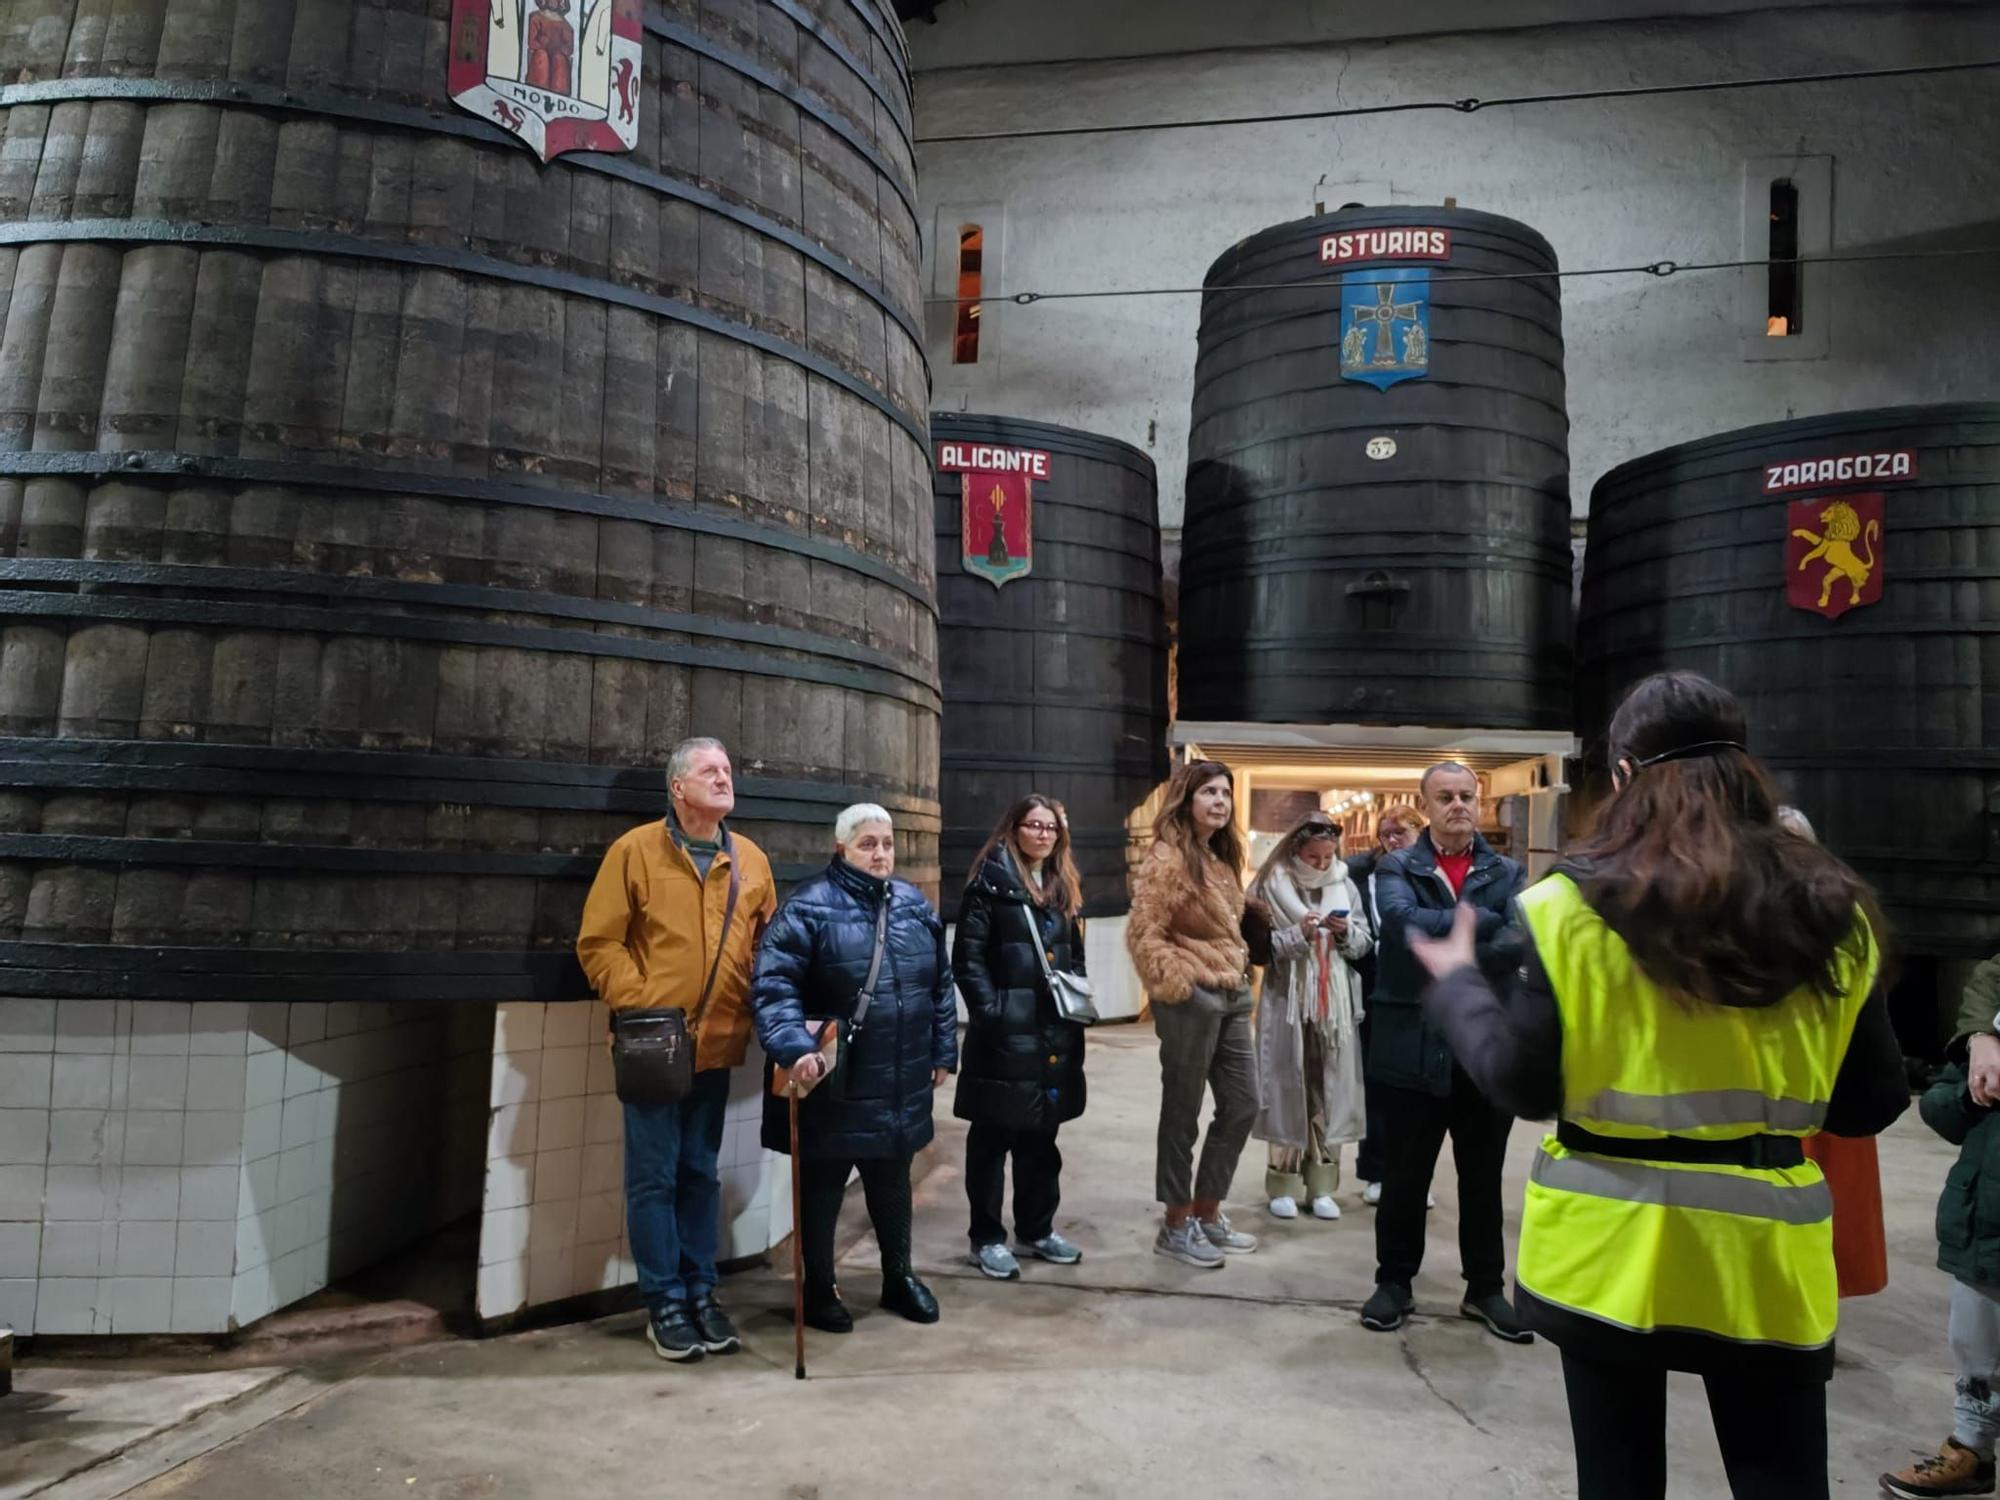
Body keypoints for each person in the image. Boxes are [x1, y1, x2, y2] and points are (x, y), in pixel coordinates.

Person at [1414, 670, 1907, 1500]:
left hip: (1609, 1254)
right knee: (1781, 1482)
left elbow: (1523, 1084)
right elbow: (1869, 1103)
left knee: (1618, 1481)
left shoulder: (1567, 907)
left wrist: (1459, 984)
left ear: (1620, 778)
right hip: (1762, 1260)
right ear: (1746, 766)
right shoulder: (1835, 910)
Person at [576, 736, 778, 1363]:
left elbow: (768, 949)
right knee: (653, 1179)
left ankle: (700, 1290)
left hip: (718, 1047)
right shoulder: (634, 851)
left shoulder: (751, 861)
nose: (724, 778)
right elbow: (598, 944)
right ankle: (662, 1299)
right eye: (709, 770)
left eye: (727, 768)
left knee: (699, 1173)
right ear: (677, 788)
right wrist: (645, 1004)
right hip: (653, 1048)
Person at [751, 803, 957, 1333]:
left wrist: (942, 1051)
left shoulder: (913, 905)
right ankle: (819, 1286)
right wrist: (793, 1046)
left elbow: (940, 986)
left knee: (892, 1182)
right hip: (834, 1080)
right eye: (869, 844)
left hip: (900, 1077)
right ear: (841, 848)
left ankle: (899, 1276)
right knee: (822, 1187)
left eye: (887, 844)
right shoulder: (807, 908)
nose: (881, 853)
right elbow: (774, 988)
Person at [1361, 762, 1528, 1341]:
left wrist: (1454, 938)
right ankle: (1394, 1283)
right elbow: (1403, 933)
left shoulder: (1508, 869)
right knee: (1404, 1177)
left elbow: (1517, 942)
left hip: (1483, 1048)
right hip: (1411, 1046)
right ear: (1425, 804)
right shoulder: (1396, 865)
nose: (1458, 805)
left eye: (1466, 796)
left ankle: (1485, 1289)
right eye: (1445, 796)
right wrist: (1478, 920)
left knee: (1482, 1180)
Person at [1127, 759, 1259, 1269]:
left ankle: (1208, 1212)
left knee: (1244, 1103)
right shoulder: (1168, 859)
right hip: (1193, 996)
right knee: (1182, 1112)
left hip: (1232, 991)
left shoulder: (1218, 858)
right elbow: (1145, 933)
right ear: (1187, 799)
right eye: (1209, 792)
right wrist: (1179, 984)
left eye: (1226, 792)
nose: (1221, 801)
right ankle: (1176, 1222)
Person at [952, 794, 1089, 1280]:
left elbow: (1074, 958)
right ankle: (985, 1238)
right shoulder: (988, 886)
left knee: (1041, 1140)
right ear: (1013, 828)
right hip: (1004, 1037)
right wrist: (993, 1014)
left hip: (1052, 1035)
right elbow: (967, 961)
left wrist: (1076, 1002)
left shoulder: (1061, 887)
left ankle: (1036, 1230)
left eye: (1051, 828)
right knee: (991, 1141)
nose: (1043, 835)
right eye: (1034, 825)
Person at [1879, 952, 2000, 1499]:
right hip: (1983, 1219)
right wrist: (1975, 1073)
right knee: (1973, 1345)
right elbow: (1942, 1110)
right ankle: (1971, 1451)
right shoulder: (1989, 1027)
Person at [1243, 812, 1372, 1221]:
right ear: (1294, 849)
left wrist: (1344, 933)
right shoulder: (1268, 885)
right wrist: (1297, 933)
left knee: (1327, 1089)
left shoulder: (1344, 883)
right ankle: (1281, 1179)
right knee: (1286, 1085)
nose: (1321, 864)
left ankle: (1322, 1185)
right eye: (1313, 856)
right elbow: (1256, 948)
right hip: (1286, 1001)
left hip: (1333, 1004)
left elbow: (1364, 942)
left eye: (1327, 857)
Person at [1345, 804, 1425, 1204]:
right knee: (1376, 1084)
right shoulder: (1359, 872)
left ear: (1418, 832)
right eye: (1385, 834)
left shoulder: (1427, 871)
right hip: (1374, 985)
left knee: (1417, 1090)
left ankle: (1411, 1175)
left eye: (1399, 833)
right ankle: (1375, 1171)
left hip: (1420, 990)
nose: (1391, 841)